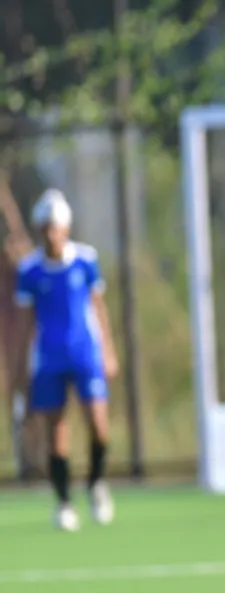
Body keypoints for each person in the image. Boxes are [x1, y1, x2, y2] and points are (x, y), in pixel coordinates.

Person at [12, 189, 119, 531]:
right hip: (49, 360)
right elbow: (26, 325)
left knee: (99, 427)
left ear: (66, 227)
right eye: (44, 226)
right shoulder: (30, 271)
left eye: (55, 226)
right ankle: (63, 501)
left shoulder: (86, 261)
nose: (50, 233)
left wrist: (109, 350)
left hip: (86, 354)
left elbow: (98, 309)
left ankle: (97, 484)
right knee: (57, 434)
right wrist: (19, 369)